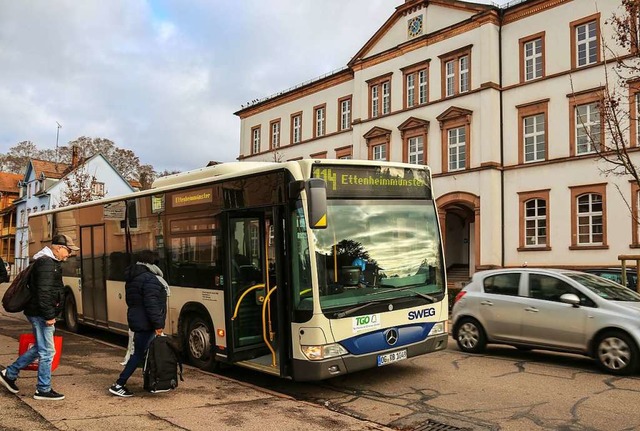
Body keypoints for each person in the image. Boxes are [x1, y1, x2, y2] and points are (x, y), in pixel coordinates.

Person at [0, 234, 79, 401]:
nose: (69, 254)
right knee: (47, 352)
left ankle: (10, 373)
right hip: (40, 314)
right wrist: (49, 315)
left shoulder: (49, 262)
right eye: (68, 250)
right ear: (58, 248)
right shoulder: (46, 264)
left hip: (37, 312)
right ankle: (43, 389)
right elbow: (43, 292)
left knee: (40, 347)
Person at [109, 250, 168, 397]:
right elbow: (152, 304)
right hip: (146, 323)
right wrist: (158, 325)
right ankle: (119, 384)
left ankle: (149, 382)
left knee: (143, 353)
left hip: (138, 320)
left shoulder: (134, 277)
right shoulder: (149, 279)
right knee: (139, 354)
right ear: (151, 263)